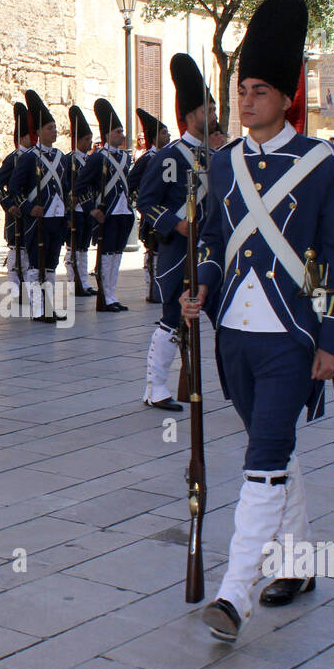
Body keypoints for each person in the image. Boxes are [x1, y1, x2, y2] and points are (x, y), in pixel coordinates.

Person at [179, 0, 334, 641]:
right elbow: (213, 240)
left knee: (262, 455)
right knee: (273, 443)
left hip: (291, 334)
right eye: (240, 89)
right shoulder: (224, 161)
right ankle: (297, 560)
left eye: (259, 90)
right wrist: (200, 284)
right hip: (233, 335)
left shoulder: (322, 163)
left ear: (287, 96)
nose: (245, 100)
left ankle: (235, 592)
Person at [138, 54, 217, 411]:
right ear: (189, 116)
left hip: (214, 252)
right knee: (173, 320)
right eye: (207, 108)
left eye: (213, 106)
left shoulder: (218, 156)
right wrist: (177, 223)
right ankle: (156, 388)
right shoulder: (168, 156)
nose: (213, 113)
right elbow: (147, 201)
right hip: (180, 251)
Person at [8, 90, 68, 322]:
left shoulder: (61, 157)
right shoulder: (30, 157)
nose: (54, 131)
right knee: (35, 264)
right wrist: (28, 207)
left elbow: (66, 188)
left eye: (54, 127)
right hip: (37, 219)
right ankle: (37, 309)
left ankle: (49, 306)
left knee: (51, 264)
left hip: (56, 217)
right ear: (40, 132)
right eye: (50, 128)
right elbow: (14, 188)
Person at [79, 98, 135, 311]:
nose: (122, 135)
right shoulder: (97, 158)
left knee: (117, 254)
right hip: (107, 212)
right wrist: (92, 209)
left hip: (123, 211)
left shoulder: (125, 158)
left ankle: (112, 294)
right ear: (108, 134)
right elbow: (80, 187)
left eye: (122, 131)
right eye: (118, 131)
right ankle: (105, 296)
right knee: (106, 254)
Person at [129, 109, 170, 303]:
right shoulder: (146, 159)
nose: (168, 136)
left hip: (167, 212)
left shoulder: (170, 157)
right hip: (152, 214)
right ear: (154, 137)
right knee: (152, 252)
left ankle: (163, 286)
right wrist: (144, 203)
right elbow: (131, 183)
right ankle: (151, 288)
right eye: (164, 133)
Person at [0, 101, 32, 295]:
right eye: (29, 135)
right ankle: (16, 289)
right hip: (17, 213)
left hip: (32, 211)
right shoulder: (14, 158)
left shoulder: (37, 157)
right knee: (16, 251)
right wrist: (9, 205)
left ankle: (28, 288)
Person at [63, 106, 96, 296]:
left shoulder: (91, 160)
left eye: (90, 139)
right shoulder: (70, 160)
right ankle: (72, 281)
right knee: (73, 247)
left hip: (87, 208)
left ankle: (83, 281)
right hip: (75, 209)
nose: (89, 143)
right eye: (86, 139)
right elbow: (65, 184)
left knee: (84, 247)